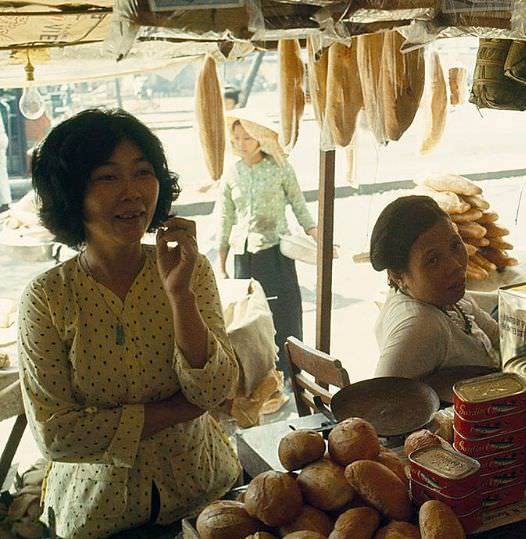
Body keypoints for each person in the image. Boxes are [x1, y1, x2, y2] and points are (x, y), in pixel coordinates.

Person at [18, 108, 240, 539]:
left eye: (143, 172)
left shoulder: (187, 269)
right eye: (107, 177)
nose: (133, 193)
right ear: (71, 192)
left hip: (206, 494)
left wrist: (179, 296)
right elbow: (57, 435)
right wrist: (175, 410)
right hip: (100, 514)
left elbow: (213, 391)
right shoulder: (47, 297)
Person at [217, 110, 317, 382]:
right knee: (248, 319)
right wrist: (222, 257)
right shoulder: (232, 173)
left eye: (246, 138)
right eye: (236, 138)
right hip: (243, 255)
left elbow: (299, 205)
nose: (240, 143)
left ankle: (289, 369)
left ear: (260, 139)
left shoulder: (279, 167)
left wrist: (318, 236)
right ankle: (257, 374)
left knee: (283, 312)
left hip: (275, 253)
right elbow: (225, 216)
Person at [370, 195, 500, 378]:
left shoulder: (449, 298)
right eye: (433, 260)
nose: (455, 265)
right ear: (398, 276)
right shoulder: (419, 326)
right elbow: (379, 399)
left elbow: (498, 336)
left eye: (455, 245)